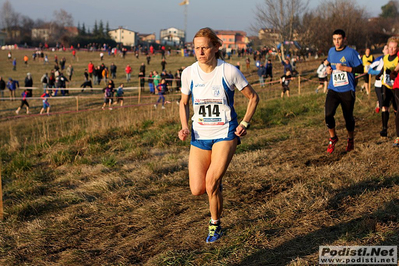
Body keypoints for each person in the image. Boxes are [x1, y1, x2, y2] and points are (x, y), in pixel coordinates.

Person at [178, 27, 259, 243]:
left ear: (216, 47)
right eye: (196, 48)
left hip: (225, 133)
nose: (200, 52)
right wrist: (184, 126)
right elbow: (184, 103)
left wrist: (244, 122)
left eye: (204, 47)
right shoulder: (188, 73)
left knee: (210, 182)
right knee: (197, 189)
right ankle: (215, 183)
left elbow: (253, 97)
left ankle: (215, 226)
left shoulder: (229, 71)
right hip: (199, 135)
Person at [325, 29, 363, 153]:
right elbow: (329, 64)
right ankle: (333, 137)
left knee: (348, 117)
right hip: (333, 89)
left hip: (347, 90)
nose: (336, 42)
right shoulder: (331, 51)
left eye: (339, 39)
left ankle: (350, 139)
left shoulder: (351, 53)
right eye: (334, 39)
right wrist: (328, 69)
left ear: (344, 39)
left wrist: (345, 68)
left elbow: (361, 68)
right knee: (328, 115)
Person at [380, 37, 399, 138]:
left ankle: (398, 128)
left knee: (396, 108)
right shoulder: (385, 57)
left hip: (395, 87)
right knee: (384, 105)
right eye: (390, 47)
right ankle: (384, 128)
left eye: (394, 48)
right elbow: (384, 67)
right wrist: (379, 74)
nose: (391, 50)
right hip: (386, 85)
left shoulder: (398, 58)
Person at [368, 45, 388, 114]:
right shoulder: (379, 59)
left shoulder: (395, 59)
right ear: (383, 51)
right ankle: (379, 103)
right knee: (383, 105)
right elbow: (369, 70)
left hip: (389, 85)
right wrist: (379, 72)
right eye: (386, 49)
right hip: (379, 85)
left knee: (388, 104)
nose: (388, 50)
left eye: (389, 48)